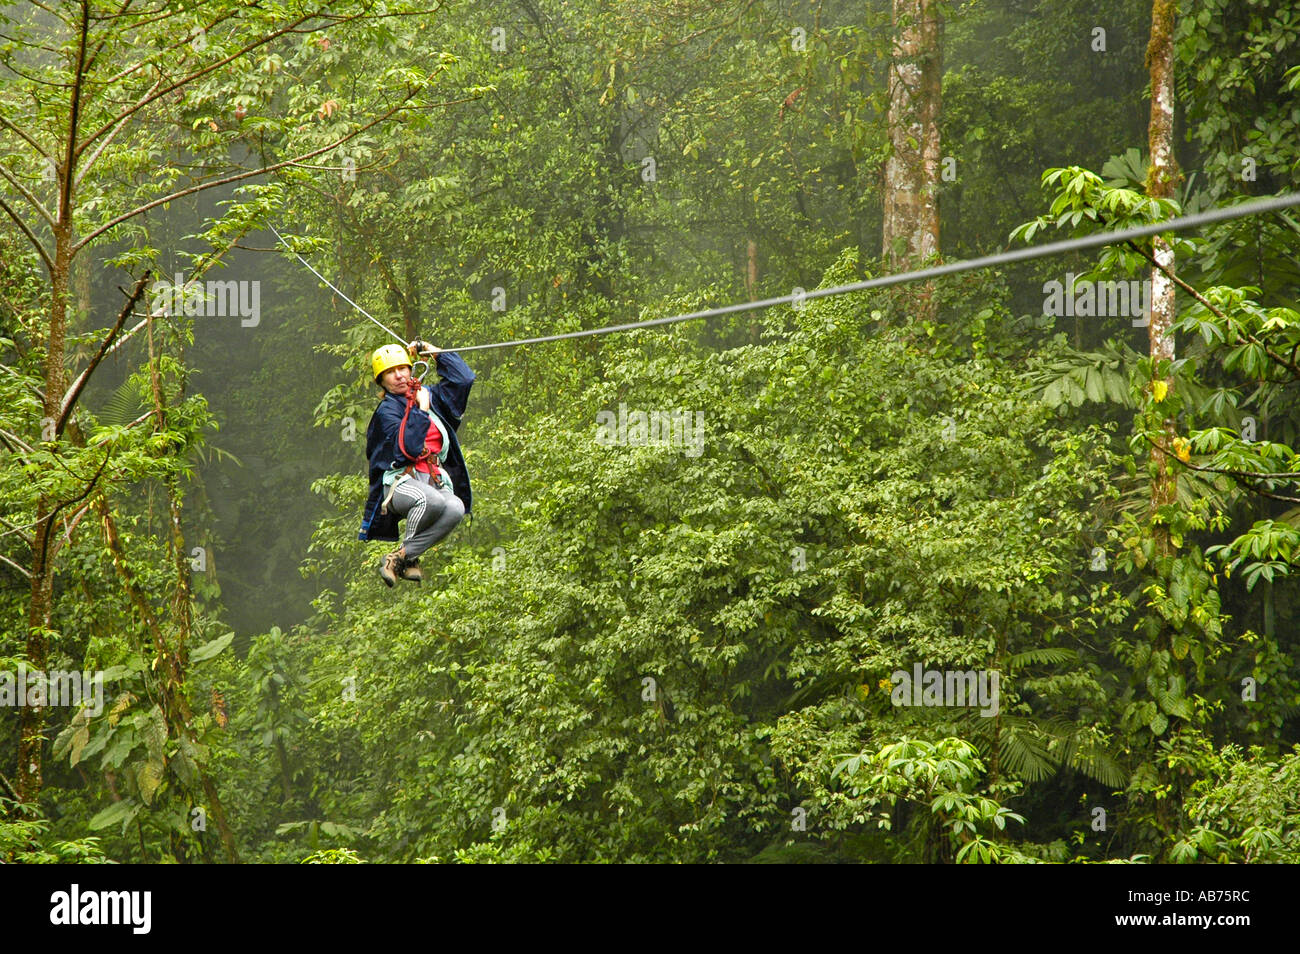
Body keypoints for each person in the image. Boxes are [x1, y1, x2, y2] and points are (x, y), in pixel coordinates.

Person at [358, 339, 474, 586]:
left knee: (455, 508)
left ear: (412, 369)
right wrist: (421, 410)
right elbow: (408, 450)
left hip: (433, 478)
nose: (399, 376)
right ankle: (406, 559)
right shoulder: (386, 413)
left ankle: (402, 557)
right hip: (400, 483)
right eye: (390, 372)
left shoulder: (432, 396)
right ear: (381, 381)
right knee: (429, 500)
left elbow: (464, 380)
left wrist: (433, 351)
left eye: (402, 368)